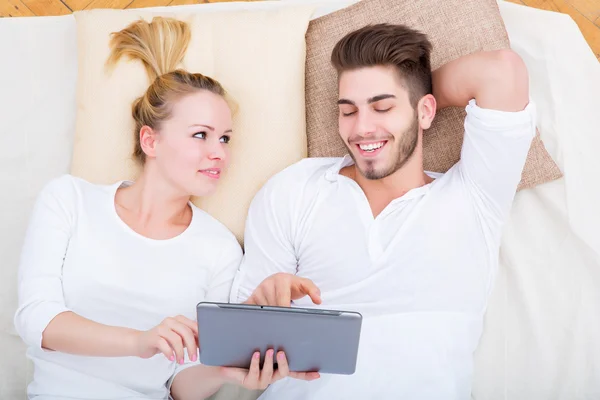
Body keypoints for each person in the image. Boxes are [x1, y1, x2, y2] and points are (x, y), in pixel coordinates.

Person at [13, 17, 317, 400]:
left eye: (225, 138)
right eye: (200, 135)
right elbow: (37, 322)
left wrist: (226, 371)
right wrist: (140, 341)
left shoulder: (219, 248)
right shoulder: (69, 200)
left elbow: (181, 386)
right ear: (150, 141)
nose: (219, 152)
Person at [230, 23, 535, 399]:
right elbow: (233, 347)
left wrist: (418, 89)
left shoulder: (473, 197)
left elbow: (501, 71)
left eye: (382, 106)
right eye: (348, 111)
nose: (362, 129)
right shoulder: (295, 190)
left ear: (426, 111)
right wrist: (260, 308)